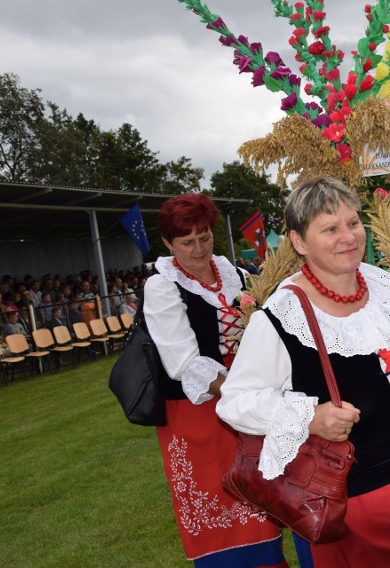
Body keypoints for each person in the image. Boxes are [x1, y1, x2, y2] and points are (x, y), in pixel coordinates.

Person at [217, 177, 390, 568]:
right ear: (299, 242)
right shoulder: (281, 316)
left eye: (353, 223)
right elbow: (235, 401)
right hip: (354, 502)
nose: (348, 236)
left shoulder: (384, 285)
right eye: (330, 228)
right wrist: (310, 416)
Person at [143, 193, 290, 568]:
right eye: (186, 242)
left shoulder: (235, 274)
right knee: (215, 497)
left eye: (204, 237)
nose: (198, 249)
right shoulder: (162, 286)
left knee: (256, 491)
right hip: (196, 412)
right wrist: (242, 390)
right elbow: (184, 362)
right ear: (167, 243)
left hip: (247, 399)